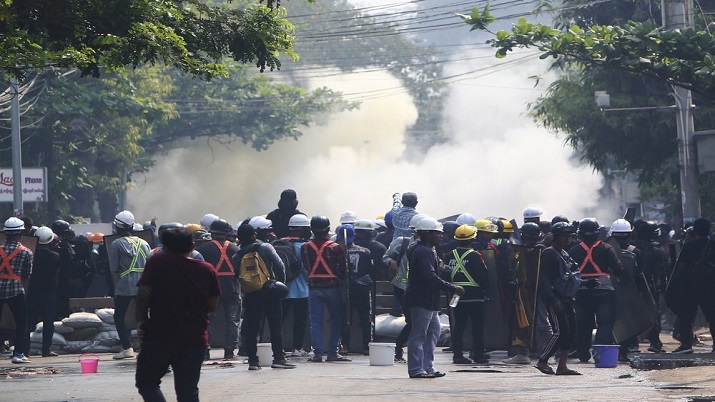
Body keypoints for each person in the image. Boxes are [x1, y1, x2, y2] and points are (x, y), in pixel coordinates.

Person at [134, 227, 220, 401]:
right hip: (194, 339)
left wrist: (142, 320)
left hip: (160, 336)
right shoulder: (207, 269)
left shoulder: (157, 263)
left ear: (164, 246)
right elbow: (212, 305)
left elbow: (143, 294)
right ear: (192, 246)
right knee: (188, 391)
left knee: (147, 383)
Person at [404, 217, 464, 379]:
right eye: (438, 233)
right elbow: (429, 276)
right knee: (419, 334)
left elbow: (438, 267)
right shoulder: (423, 251)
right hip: (421, 299)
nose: (441, 236)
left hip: (429, 299)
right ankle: (417, 369)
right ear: (427, 234)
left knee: (433, 332)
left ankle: (427, 367)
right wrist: (452, 287)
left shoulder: (426, 250)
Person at [232, 223, 294, 370]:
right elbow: (280, 266)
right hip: (269, 290)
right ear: (254, 235)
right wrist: (279, 284)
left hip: (251, 293)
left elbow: (237, 275)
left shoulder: (236, 255)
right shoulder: (265, 247)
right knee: (275, 325)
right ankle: (278, 358)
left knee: (252, 327)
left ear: (239, 238)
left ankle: (253, 361)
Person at [568, 218, 622, 363]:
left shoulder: (574, 250)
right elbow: (618, 269)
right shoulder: (606, 248)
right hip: (604, 292)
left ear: (580, 234)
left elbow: (568, 271)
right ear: (598, 233)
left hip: (581, 292)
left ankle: (583, 354)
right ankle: (600, 356)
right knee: (605, 323)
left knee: (583, 324)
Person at [534, 221, 581, 376]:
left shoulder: (564, 253)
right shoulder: (549, 253)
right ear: (556, 237)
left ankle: (562, 366)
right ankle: (543, 360)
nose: (567, 239)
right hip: (556, 299)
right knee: (561, 331)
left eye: (569, 236)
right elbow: (544, 280)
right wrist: (553, 300)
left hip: (567, 297)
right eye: (564, 236)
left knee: (572, 331)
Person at [301, 215, 350, 362]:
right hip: (333, 288)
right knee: (335, 320)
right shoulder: (335, 247)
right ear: (328, 229)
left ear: (312, 229)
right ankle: (332, 352)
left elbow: (305, 266)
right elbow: (343, 269)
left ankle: (317, 353)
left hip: (314, 288)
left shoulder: (305, 247)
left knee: (315, 321)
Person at [108, 210, 151, 360]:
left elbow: (114, 268)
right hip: (144, 285)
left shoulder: (116, 244)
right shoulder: (144, 243)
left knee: (119, 316)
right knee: (144, 316)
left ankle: (127, 348)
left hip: (125, 285)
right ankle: (147, 348)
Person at [444, 224, 489, 364]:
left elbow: (445, 275)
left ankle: (457, 355)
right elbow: (483, 277)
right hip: (475, 296)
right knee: (477, 326)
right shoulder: (475, 256)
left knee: (459, 326)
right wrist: (486, 291)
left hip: (456, 296)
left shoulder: (449, 255)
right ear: (472, 240)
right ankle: (478, 355)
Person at [196, 219, 240, 360]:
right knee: (233, 321)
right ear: (226, 233)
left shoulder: (204, 249)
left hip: (211, 290)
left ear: (212, 232)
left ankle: (205, 350)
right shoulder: (235, 248)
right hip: (233, 288)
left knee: (207, 320)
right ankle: (229, 351)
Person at [383, 213, 424, 362]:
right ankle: (399, 348)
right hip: (402, 288)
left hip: (420, 290)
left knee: (418, 322)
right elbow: (385, 256)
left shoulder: (429, 248)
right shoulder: (402, 242)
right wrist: (391, 262)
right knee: (412, 321)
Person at [670, 218, 714, 354]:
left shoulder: (689, 247)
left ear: (694, 231)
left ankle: (686, 345)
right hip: (711, 287)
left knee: (686, 317)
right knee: (713, 317)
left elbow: (680, 268)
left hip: (691, 287)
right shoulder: (713, 245)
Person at [276, 214, 311, 357]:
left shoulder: (281, 243)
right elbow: (304, 267)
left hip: (282, 287)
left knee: (279, 319)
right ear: (303, 229)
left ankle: (278, 347)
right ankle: (297, 347)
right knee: (300, 319)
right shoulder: (303, 245)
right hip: (301, 289)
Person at [337, 224, 374, 356]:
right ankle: (367, 346)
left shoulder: (339, 251)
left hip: (347, 289)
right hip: (363, 289)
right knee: (365, 318)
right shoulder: (365, 251)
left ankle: (345, 345)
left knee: (346, 318)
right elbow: (371, 271)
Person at [0, 217, 33, 364]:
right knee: (21, 322)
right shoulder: (26, 252)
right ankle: (18, 354)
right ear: (21, 232)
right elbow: (26, 274)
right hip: (15, 290)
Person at [633, 220, 668, 353]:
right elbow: (661, 272)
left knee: (634, 313)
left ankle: (634, 343)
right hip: (651, 287)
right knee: (654, 314)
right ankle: (654, 342)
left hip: (634, 286)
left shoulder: (632, 248)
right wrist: (663, 287)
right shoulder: (656, 250)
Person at [26, 226, 60, 357]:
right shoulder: (55, 256)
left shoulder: (30, 255)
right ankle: (46, 350)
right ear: (51, 241)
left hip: (32, 292)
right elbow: (57, 276)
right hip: (49, 293)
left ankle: (26, 350)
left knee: (28, 322)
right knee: (48, 322)